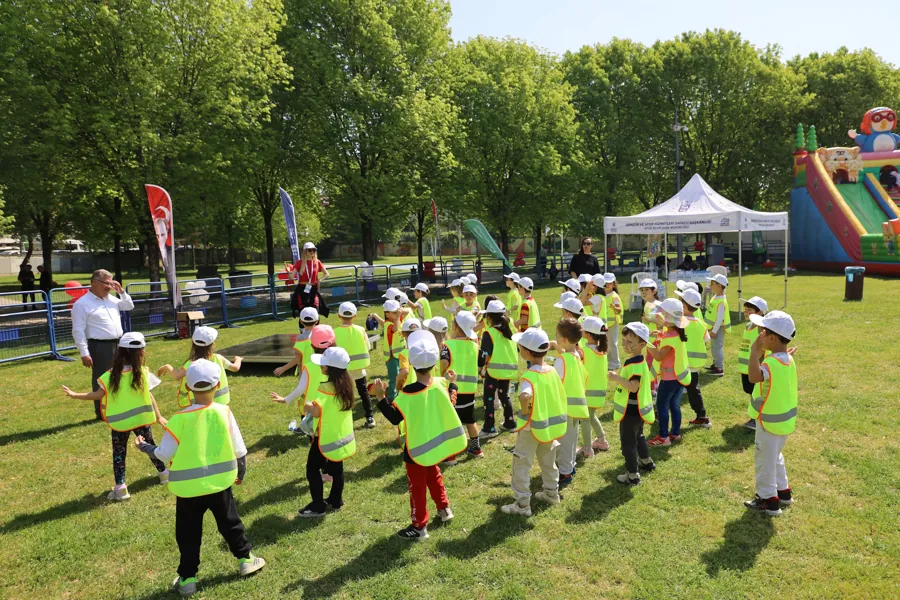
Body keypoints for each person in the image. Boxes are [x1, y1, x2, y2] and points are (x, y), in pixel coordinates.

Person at [134, 359, 265, 596]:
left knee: (188, 534)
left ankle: (187, 579)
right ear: (217, 385)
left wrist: (144, 447)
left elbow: (164, 454)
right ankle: (246, 560)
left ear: (187, 388)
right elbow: (240, 450)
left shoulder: (178, 419)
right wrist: (241, 472)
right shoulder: (224, 412)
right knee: (230, 524)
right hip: (220, 485)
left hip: (187, 490)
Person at [373, 331, 465, 540]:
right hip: (434, 446)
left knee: (417, 487)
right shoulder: (441, 383)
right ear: (434, 363)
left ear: (412, 365)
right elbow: (451, 401)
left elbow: (394, 418)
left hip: (416, 449)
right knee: (434, 476)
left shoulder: (407, 394)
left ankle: (419, 526)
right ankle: (444, 509)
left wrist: (380, 398)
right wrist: (453, 384)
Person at [62, 332, 168, 501]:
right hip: (141, 420)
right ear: (142, 353)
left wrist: (75, 395)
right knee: (150, 446)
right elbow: (149, 395)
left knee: (119, 454)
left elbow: (97, 395)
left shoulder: (110, 376)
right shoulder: (143, 373)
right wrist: (159, 416)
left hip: (119, 424)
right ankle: (164, 474)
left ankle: (121, 488)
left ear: (119, 351)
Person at [501, 328, 567, 516]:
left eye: (520, 347)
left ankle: (522, 504)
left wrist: (524, 410)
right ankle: (552, 494)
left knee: (521, 463)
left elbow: (525, 396)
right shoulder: (552, 371)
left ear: (527, 352)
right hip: (547, 428)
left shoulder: (528, 376)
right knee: (548, 461)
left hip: (530, 428)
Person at [743, 311, 798, 516]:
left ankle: (768, 500)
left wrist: (754, 353)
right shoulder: (787, 359)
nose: (760, 335)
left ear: (773, 338)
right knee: (775, 456)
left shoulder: (770, 363)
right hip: (783, 422)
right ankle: (783, 493)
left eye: (763, 331)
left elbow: (753, 377)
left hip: (768, 422)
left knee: (764, 460)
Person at [297, 347, 357, 517]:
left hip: (324, 437)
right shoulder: (348, 385)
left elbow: (316, 412)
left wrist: (308, 406)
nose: (321, 366)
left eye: (323, 364)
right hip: (340, 436)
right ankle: (335, 501)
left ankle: (318, 507)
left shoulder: (325, 387)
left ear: (330, 368)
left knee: (312, 469)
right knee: (337, 469)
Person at [72, 269, 135, 420]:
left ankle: (120, 406)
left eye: (111, 283)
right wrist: (84, 353)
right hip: (100, 346)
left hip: (119, 344)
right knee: (102, 380)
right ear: (94, 282)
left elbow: (129, 306)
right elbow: (78, 330)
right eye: (106, 283)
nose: (109, 287)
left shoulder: (111, 299)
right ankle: (102, 412)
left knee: (122, 375)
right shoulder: (82, 304)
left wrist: (121, 292)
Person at [609, 323, 657, 485]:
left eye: (630, 342)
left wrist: (617, 378)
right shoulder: (639, 360)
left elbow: (633, 387)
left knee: (628, 443)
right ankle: (646, 461)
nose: (625, 344)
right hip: (638, 409)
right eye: (624, 340)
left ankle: (632, 475)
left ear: (642, 344)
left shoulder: (634, 364)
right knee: (639, 435)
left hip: (630, 410)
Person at [157, 326, 242, 408]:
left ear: (193, 343)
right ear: (213, 344)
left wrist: (167, 366)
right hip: (220, 404)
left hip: (199, 405)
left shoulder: (191, 364)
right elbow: (235, 368)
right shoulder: (218, 358)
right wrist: (238, 359)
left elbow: (177, 376)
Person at [645, 299, 691, 447]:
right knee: (674, 405)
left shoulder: (670, 337)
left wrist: (647, 343)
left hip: (669, 379)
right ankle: (675, 433)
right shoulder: (675, 333)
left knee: (662, 406)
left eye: (663, 314)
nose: (660, 315)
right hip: (678, 378)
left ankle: (663, 437)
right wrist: (660, 334)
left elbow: (659, 356)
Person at [553, 318, 589, 491]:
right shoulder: (577, 356)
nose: (555, 337)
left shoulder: (562, 360)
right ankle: (571, 466)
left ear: (563, 339)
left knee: (564, 442)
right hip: (577, 407)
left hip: (564, 408)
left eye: (557, 335)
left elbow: (555, 383)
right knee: (572, 439)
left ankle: (565, 472)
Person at [442, 311, 483, 460]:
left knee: (450, 421)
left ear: (454, 326)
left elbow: (444, 363)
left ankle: (451, 454)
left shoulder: (447, 345)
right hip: (470, 390)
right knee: (470, 419)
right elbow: (481, 363)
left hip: (452, 389)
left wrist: (442, 374)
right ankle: (476, 448)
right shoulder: (475, 346)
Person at [478, 300, 518, 437]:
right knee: (504, 395)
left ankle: (489, 427)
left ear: (488, 317)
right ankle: (510, 422)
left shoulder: (489, 333)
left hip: (493, 372)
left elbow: (485, 354)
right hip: (507, 371)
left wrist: (480, 367)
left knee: (489, 398)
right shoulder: (509, 329)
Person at [333, 302, 376, 428]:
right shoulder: (361, 330)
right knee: (363, 391)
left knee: (343, 393)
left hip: (342, 369)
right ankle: (370, 417)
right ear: (355, 315)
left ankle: (343, 419)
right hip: (359, 367)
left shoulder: (335, 332)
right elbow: (368, 347)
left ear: (339, 315)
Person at [677, 288, 712, 428]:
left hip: (680, 365)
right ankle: (702, 416)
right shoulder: (702, 324)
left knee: (669, 392)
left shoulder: (680, 323)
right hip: (694, 366)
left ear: (684, 306)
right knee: (694, 392)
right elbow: (706, 339)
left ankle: (660, 415)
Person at [580, 316, 610, 457]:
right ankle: (602, 441)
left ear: (588, 334)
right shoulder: (602, 351)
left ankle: (587, 449)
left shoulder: (584, 352)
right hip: (598, 393)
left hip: (587, 392)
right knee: (591, 416)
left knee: (585, 419)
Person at [739, 297, 769, 430]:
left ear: (760, 312)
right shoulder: (748, 326)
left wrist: (757, 364)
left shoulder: (762, 329)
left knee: (756, 394)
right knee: (749, 391)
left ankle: (756, 419)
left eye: (749, 310)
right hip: (746, 368)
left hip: (756, 368)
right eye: (745, 309)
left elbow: (763, 348)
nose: (746, 312)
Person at [369, 300, 405, 400]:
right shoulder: (390, 324)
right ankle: (392, 397)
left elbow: (382, 323)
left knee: (401, 376)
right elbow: (394, 329)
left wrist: (375, 316)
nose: (397, 314)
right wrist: (398, 316)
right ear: (387, 314)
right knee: (394, 377)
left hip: (400, 355)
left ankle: (399, 392)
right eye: (394, 312)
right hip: (392, 357)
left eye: (397, 312)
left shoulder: (395, 321)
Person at [273, 307, 319, 376]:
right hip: (319, 371)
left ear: (301, 321)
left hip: (306, 373)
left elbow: (298, 358)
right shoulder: (321, 335)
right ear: (317, 321)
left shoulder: (301, 338)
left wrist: (283, 368)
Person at [291, 242, 330, 318]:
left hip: (313, 289)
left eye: (314, 250)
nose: (312, 252)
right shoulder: (299, 262)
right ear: (305, 251)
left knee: (315, 311)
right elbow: (292, 276)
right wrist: (289, 272)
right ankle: (303, 325)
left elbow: (327, 274)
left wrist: (320, 280)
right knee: (303, 312)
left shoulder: (317, 262)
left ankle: (315, 325)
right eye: (310, 250)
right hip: (302, 289)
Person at [705, 273, 731, 376]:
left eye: (712, 283)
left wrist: (714, 331)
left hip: (718, 329)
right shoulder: (716, 297)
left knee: (717, 348)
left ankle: (719, 368)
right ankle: (716, 364)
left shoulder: (721, 301)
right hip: (714, 328)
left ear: (719, 286)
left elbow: (720, 318)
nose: (710, 285)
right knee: (714, 347)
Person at [602, 273, 623, 369]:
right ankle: (608, 362)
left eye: (609, 283)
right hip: (604, 323)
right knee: (606, 343)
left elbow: (619, 310)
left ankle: (615, 363)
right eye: (604, 283)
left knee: (612, 343)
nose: (606, 285)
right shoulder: (602, 295)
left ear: (613, 284)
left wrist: (615, 308)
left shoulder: (614, 296)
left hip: (612, 324)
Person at [396, 318, 424, 390]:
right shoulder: (424, 350)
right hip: (424, 386)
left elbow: (405, 371)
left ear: (403, 334)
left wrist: (397, 379)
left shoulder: (404, 353)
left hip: (409, 388)